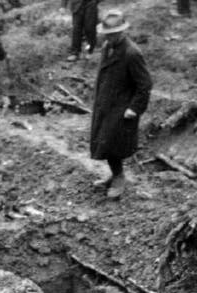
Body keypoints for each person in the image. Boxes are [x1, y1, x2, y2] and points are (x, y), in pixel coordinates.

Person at [88, 10, 151, 199]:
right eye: (109, 34)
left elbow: (145, 84)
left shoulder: (132, 53)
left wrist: (134, 108)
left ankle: (119, 179)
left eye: (115, 33)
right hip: (105, 104)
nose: (111, 37)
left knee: (113, 144)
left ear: (123, 31)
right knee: (104, 142)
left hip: (121, 108)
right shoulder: (108, 47)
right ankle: (114, 174)